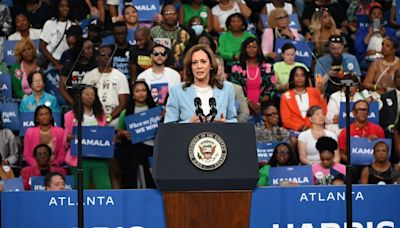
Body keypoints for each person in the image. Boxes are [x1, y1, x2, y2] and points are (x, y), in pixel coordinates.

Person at [164, 44, 237, 123]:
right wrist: (189, 122)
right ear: (190, 67)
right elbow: (169, 126)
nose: (199, 66)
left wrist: (225, 123)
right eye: (194, 62)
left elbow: (234, 120)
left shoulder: (227, 88)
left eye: (203, 62)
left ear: (211, 65)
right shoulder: (176, 91)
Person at [63, 86, 112, 189]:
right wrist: (70, 137)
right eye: (87, 94)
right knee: (81, 191)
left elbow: (104, 134)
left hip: (99, 158)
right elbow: (65, 140)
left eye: (93, 95)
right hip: (79, 159)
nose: (90, 97)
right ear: (80, 96)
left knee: (105, 189)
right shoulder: (70, 116)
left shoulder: (101, 115)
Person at [116, 80, 157, 189]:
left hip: (152, 149)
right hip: (133, 149)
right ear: (133, 95)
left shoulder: (155, 110)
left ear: (147, 93)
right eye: (137, 91)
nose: (141, 93)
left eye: (143, 90)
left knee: (152, 178)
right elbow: (119, 131)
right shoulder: (126, 112)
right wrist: (124, 133)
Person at [82, 45, 130, 127]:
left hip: (114, 118)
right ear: (97, 58)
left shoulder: (120, 76)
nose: (107, 57)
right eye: (103, 55)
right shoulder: (89, 76)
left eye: (110, 55)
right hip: (92, 118)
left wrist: (108, 118)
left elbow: (123, 103)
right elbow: (83, 99)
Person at [229, 37, 276, 116]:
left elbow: (271, 86)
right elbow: (235, 87)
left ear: (258, 49)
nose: (251, 50)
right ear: (244, 49)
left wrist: (262, 101)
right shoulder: (236, 66)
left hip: (263, 104)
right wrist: (248, 102)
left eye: (254, 47)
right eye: (248, 47)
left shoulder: (267, 66)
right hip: (242, 103)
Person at [280, 66, 327, 132]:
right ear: (292, 78)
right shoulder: (285, 96)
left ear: (306, 78)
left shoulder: (314, 92)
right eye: (296, 75)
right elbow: (286, 120)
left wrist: (321, 94)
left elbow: (323, 112)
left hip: (315, 127)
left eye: (302, 75)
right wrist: (302, 128)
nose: (299, 78)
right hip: (294, 130)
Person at [355, 5, 396, 71]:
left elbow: (395, 47)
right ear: (370, 17)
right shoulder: (363, 30)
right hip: (368, 60)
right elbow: (359, 49)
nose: (377, 16)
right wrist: (369, 34)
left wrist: (385, 35)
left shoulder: (389, 31)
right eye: (374, 14)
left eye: (379, 14)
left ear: (382, 17)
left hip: (385, 59)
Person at [59, 39, 97, 105]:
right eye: (88, 48)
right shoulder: (69, 65)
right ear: (80, 51)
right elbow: (62, 88)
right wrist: (73, 103)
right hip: (73, 103)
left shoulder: (96, 66)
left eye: (92, 48)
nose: (91, 51)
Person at [38, 0, 72, 71]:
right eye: (61, 6)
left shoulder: (72, 25)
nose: (64, 8)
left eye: (67, 6)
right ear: (57, 8)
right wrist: (55, 63)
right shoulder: (50, 23)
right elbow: (42, 46)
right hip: (50, 63)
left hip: (65, 64)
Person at [215, 55, 249, 123]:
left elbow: (244, 113)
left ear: (223, 67)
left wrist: (231, 126)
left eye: (217, 65)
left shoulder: (236, 89)